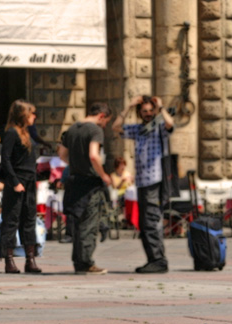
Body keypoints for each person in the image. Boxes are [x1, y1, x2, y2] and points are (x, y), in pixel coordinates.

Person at [116, 95, 175, 274]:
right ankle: (153, 259)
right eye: (144, 111)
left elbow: (170, 124)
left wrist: (161, 107)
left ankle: (158, 260)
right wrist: (129, 106)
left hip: (154, 180)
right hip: (141, 181)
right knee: (144, 222)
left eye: (151, 111)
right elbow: (116, 127)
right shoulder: (138, 129)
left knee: (150, 221)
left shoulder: (158, 128)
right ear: (140, 113)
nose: (148, 114)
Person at [59, 102, 113, 275]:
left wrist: (75, 165)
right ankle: (86, 263)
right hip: (90, 183)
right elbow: (93, 155)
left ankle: (78, 261)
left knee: (77, 223)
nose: (105, 126)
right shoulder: (95, 130)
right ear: (102, 116)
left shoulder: (72, 129)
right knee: (89, 224)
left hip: (74, 181)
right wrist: (103, 174)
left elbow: (61, 154)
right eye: (106, 122)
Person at [0, 100, 41, 275]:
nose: (34, 117)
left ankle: (30, 260)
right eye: (31, 113)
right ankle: (9, 260)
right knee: (11, 220)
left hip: (30, 181)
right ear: (23, 115)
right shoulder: (11, 133)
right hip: (17, 181)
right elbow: (5, 159)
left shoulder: (28, 133)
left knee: (29, 220)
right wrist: (15, 182)